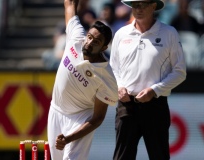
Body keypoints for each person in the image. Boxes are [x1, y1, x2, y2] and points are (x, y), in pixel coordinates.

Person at [110, 0, 186, 160]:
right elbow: (113, 69)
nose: (138, 8)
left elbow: (180, 72)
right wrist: (119, 86)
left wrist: (154, 90)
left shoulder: (169, 33)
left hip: (155, 106)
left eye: (143, 4)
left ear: (153, 6)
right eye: (135, 4)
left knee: (159, 156)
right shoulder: (121, 34)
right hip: (126, 105)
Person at [47, 0, 118, 159]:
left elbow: (98, 118)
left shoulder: (106, 77)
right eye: (90, 37)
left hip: (80, 119)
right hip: (56, 110)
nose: (90, 42)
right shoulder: (76, 36)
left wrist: (69, 138)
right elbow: (69, 4)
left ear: (104, 48)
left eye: (97, 42)